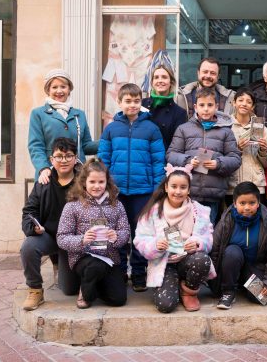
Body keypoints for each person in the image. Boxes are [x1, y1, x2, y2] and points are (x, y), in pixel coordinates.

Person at [98, 83, 166, 292]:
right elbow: (104, 160)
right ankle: (119, 271)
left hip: (143, 191)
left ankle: (138, 273)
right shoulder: (111, 129)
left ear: (141, 102)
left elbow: (158, 160)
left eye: (136, 101)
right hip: (117, 192)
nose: (132, 105)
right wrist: (106, 187)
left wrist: (157, 188)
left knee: (140, 233)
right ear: (119, 103)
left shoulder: (151, 129)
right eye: (127, 101)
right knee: (118, 232)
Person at [134, 165, 215, 313]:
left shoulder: (199, 211)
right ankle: (172, 284)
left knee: (202, 259)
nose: (178, 191)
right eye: (174, 186)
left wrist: (198, 243)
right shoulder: (152, 211)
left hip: (188, 260)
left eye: (183, 187)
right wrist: (155, 245)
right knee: (165, 305)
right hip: (165, 263)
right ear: (166, 187)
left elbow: (208, 238)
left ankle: (189, 290)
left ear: (189, 190)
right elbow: (140, 239)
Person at [56, 160, 130, 309]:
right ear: (84, 182)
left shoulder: (117, 205)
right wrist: (82, 240)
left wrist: (116, 237)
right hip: (83, 257)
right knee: (95, 266)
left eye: (101, 182)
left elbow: (125, 232)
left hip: (109, 257)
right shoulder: (72, 206)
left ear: (107, 182)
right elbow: (62, 237)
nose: (97, 186)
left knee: (118, 299)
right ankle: (85, 292)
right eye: (92, 182)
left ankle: (95, 286)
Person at [20, 137, 81, 311]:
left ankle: (60, 265)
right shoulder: (43, 183)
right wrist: (33, 227)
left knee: (69, 290)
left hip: (72, 241)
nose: (64, 160)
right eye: (59, 156)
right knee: (29, 247)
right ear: (51, 159)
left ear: (76, 158)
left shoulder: (83, 182)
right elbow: (29, 212)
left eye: (69, 156)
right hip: (49, 236)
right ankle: (35, 290)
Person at [167, 87, 242, 226]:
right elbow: (171, 154)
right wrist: (188, 161)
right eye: (202, 105)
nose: (206, 109)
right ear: (195, 107)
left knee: (204, 232)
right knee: (183, 229)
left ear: (217, 106)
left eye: (210, 105)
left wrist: (218, 163)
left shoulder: (226, 131)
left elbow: (236, 158)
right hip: (186, 192)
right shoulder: (184, 129)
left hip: (212, 195)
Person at [209, 182, 267, 310]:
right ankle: (229, 291)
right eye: (242, 203)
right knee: (232, 251)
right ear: (234, 202)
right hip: (230, 266)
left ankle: (243, 284)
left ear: (258, 202)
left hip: (254, 268)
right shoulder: (226, 221)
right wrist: (214, 282)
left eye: (252, 203)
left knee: (262, 298)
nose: (247, 208)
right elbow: (215, 250)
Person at [28, 69, 98, 184]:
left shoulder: (79, 114)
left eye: (63, 86)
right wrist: (43, 168)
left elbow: (85, 146)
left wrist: (109, 140)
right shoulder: (38, 114)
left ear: (69, 89)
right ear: (48, 90)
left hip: (77, 175)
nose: (59, 91)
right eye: (54, 87)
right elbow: (35, 146)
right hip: (50, 174)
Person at [227, 88, 267, 204]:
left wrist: (263, 149)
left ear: (252, 106)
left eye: (248, 102)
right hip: (232, 185)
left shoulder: (261, 128)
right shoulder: (226, 126)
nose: (244, 104)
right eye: (240, 100)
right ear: (234, 103)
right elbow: (222, 157)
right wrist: (238, 149)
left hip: (256, 184)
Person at [142, 65, 187, 149]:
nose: (160, 80)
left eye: (164, 77)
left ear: (171, 82)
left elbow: (176, 145)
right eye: (156, 77)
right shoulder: (141, 104)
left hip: (163, 159)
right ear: (152, 83)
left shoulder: (179, 113)